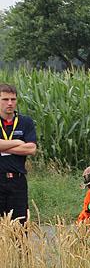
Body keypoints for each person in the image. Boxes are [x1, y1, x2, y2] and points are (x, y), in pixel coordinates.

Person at [0, 83, 37, 224]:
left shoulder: (25, 122)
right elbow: (25, 146)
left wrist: (3, 146)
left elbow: (31, 149)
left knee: (20, 227)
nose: (10, 103)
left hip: (17, 181)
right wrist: (19, 142)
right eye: (5, 99)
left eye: (13, 99)